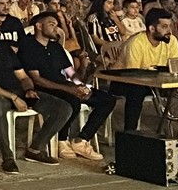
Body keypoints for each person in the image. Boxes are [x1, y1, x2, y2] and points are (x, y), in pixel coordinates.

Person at [0, 11, 72, 174]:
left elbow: (22, 76)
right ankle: (7, 157)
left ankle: (36, 149)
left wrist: (28, 89)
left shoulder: (5, 48)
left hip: (18, 92)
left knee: (63, 107)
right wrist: (12, 97)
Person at [17, 13, 113, 161]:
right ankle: (62, 141)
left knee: (107, 99)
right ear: (39, 26)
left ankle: (82, 140)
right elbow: (37, 79)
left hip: (63, 85)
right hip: (43, 88)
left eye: (56, 24)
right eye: (51, 24)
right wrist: (71, 90)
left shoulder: (56, 47)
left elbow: (70, 74)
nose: (56, 28)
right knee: (72, 100)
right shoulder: (28, 47)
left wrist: (81, 82)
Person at [109, 9, 178, 132]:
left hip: (156, 81)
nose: (169, 31)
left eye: (170, 26)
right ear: (152, 29)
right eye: (164, 27)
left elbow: (176, 66)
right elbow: (133, 75)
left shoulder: (171, 40)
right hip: (124, 80)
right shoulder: (136, 43)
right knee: (136, 91)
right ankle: (130, 133)